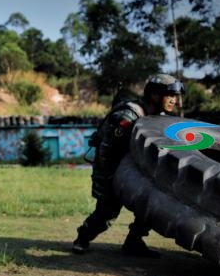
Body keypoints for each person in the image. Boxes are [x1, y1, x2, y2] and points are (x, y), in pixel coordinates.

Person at [73, 73, 184, 257]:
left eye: (175, 97)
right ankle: (83, 237)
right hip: (114, 171)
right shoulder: (128, 115)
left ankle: (133, 241)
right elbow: (107, 149)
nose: (174, 101)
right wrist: (109, 179)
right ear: (155, 95)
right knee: (107, 214)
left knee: (149, 206)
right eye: (170, 96)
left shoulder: (158, 118)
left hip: (140, 171)